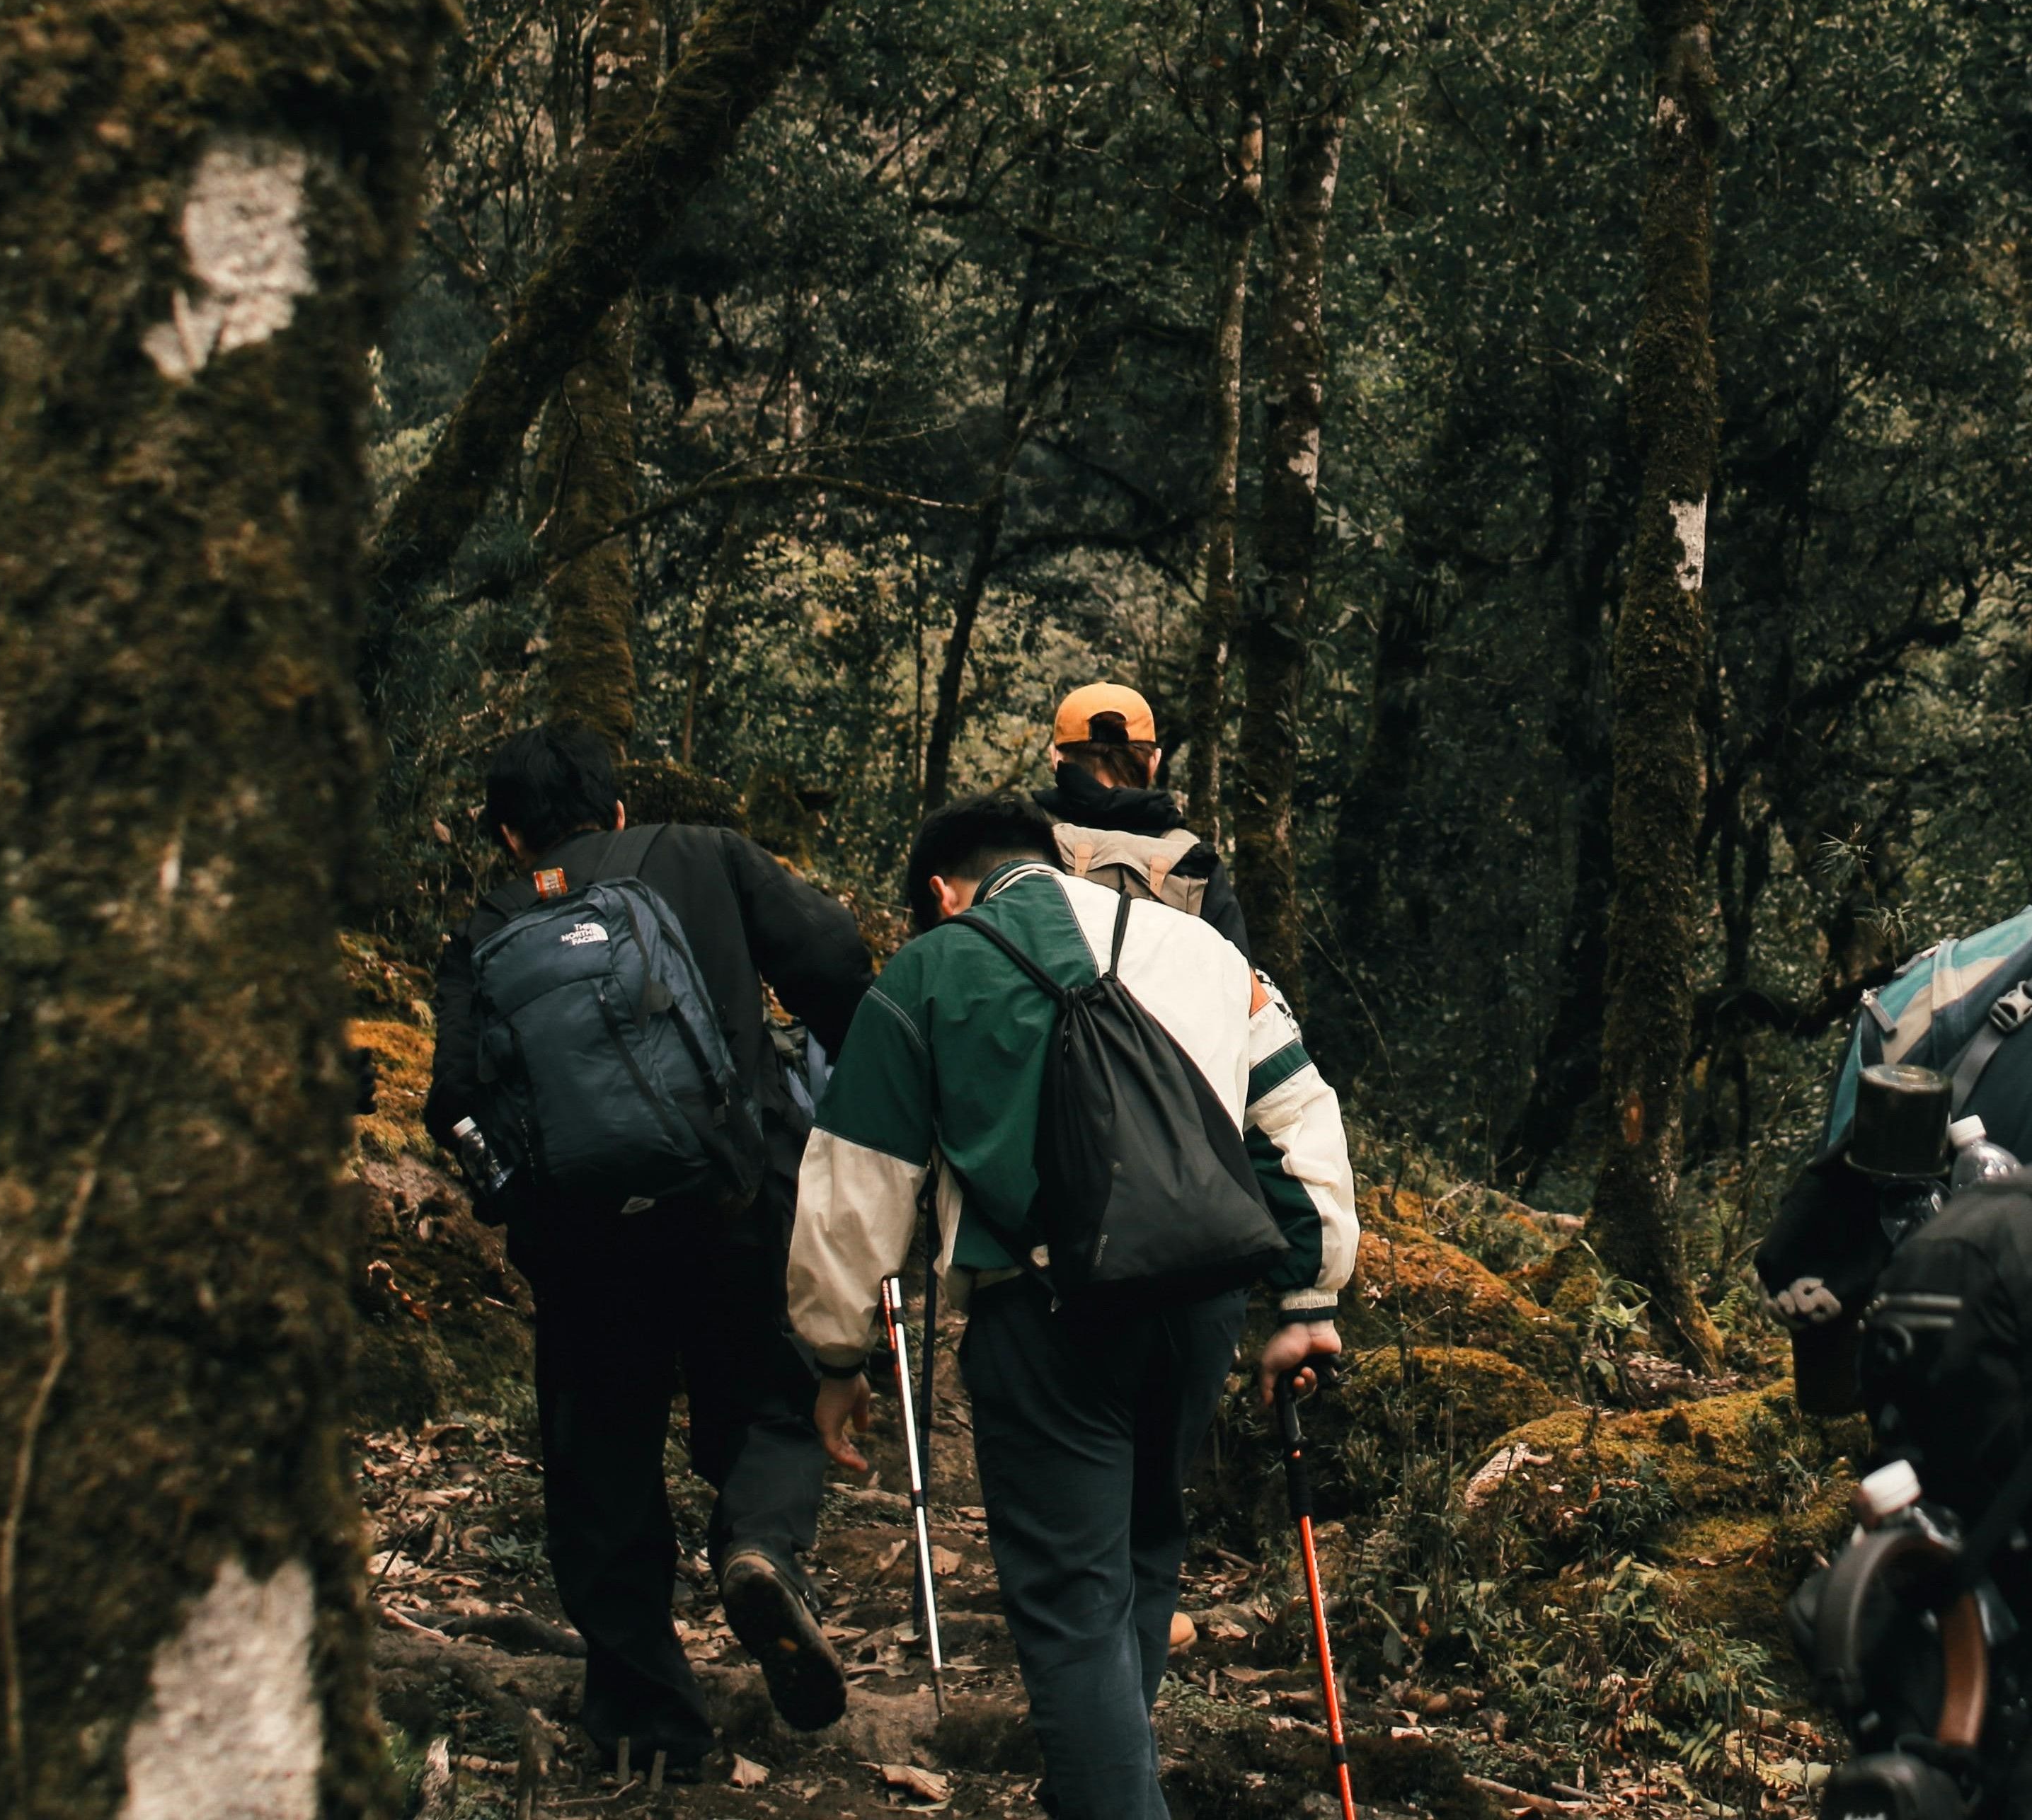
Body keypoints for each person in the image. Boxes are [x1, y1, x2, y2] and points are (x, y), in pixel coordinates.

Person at [789, 790, 1357, 1820]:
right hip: (1199, 1306)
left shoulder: (927, 969)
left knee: (1071, 1604)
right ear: (1055, 854)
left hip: (1043, 1315)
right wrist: (1309, 1296)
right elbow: (1298, 1113)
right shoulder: (1207, 953)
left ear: (940, 891)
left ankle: (1109, 1797)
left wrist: (838, 1356)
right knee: (1143, 1552)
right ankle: (1112, 1786)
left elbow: (852, 1188)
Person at [427, 723, 873, 1780]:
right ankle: (760, 1545)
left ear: (503, 830)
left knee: (601, 1458)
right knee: (769, 1398)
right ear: (618, 807)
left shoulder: (488, 922)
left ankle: (645, 1723)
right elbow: (836, 963)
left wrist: (516, 1203)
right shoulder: (706, 852)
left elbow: (453, 1098)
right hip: (729, 1196)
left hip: (580, 1235)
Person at [1029, 681, 1249, 955]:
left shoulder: (1018, 833)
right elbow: (1236, 975)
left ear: (1055, 757)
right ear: (1154, 762)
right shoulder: (1191, 857)